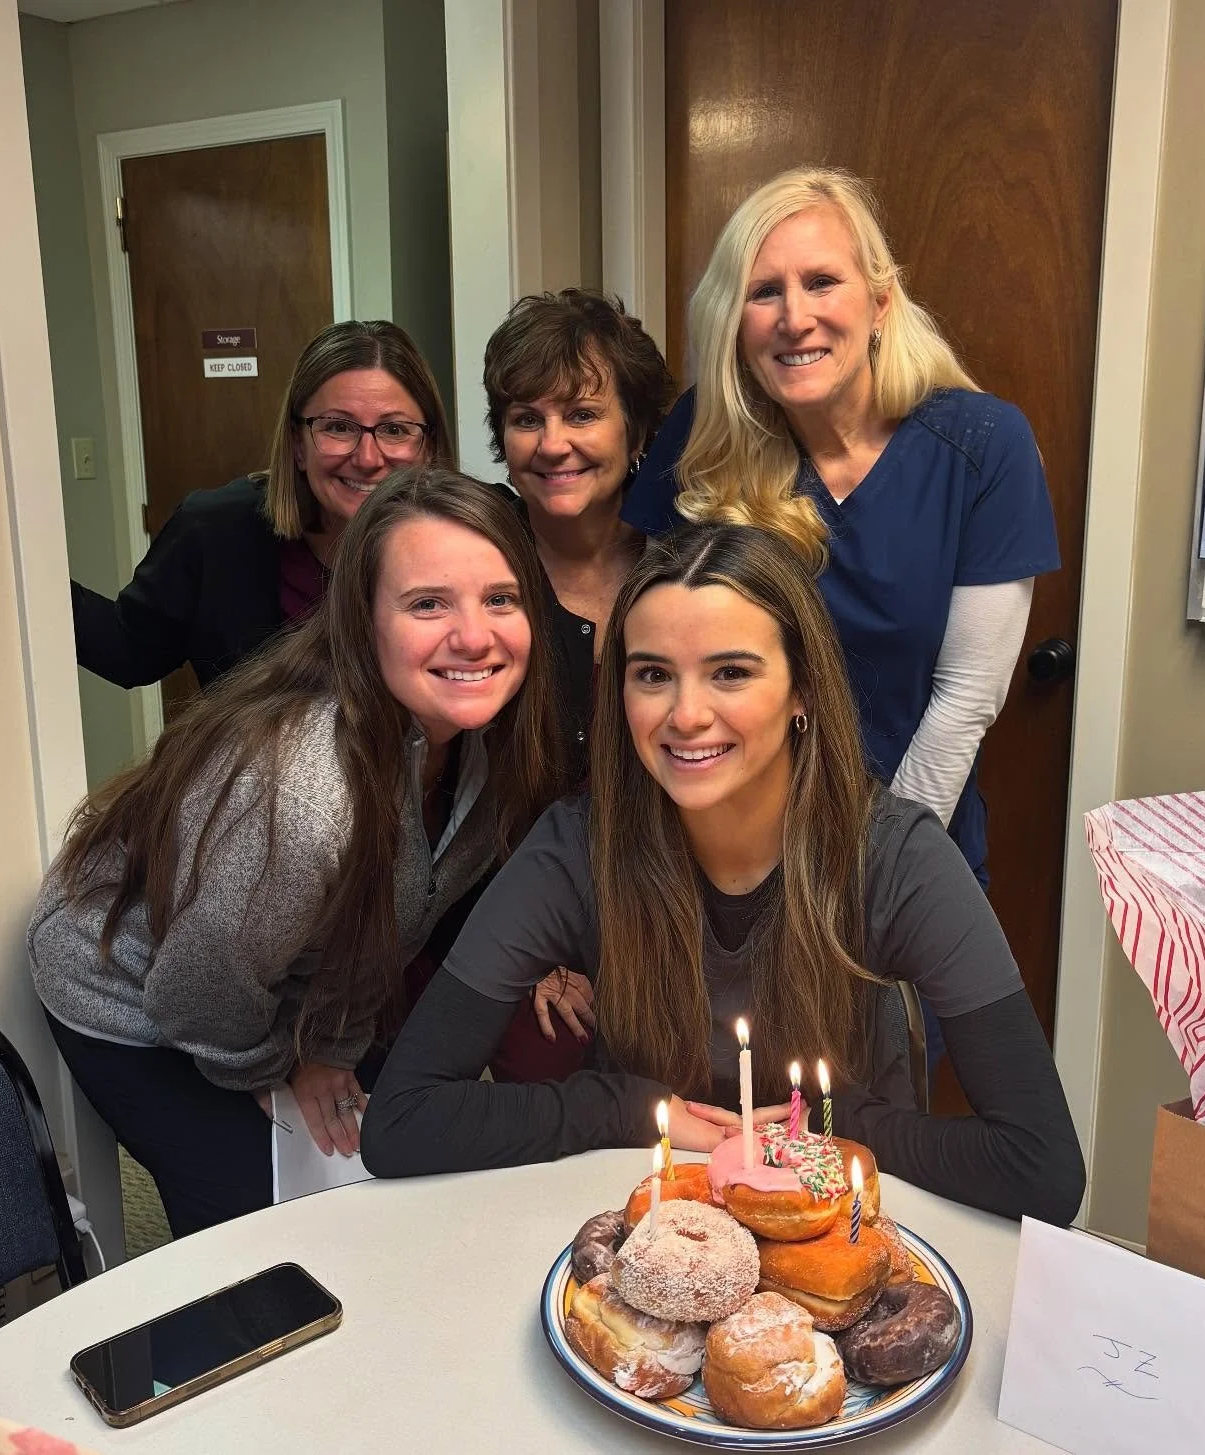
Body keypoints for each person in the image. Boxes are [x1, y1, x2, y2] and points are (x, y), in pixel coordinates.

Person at [361, 525, 1086, 1226]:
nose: (686, 714)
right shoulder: (577, 848)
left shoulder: (897, 858)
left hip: (837, 1217)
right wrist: (616, 1106)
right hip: (650, 1218)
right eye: (653, 674)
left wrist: (826, 1127)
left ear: (802, 689)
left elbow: (1041, 1166)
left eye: (730, 672)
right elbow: (402, 1118)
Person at [31, 467, 564, 1237]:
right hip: (133, 984)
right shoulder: (305, 793)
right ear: (363, 618)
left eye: (500, 598)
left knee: (384, 1155)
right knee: (257, 1233)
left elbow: (387, 920)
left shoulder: (489, 741)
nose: (475, 635)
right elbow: (196, 989)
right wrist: (277, 1067)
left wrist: (331, 1048)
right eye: (427, 604)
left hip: (278, 974)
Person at [621, 169, 1059, 892]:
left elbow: (966, 699)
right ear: (734, 318)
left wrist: (870, 875)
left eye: (822, 282)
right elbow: (656, 657)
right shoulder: (702, 434)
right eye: (764, 292)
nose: (795, 317)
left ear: (881, 302)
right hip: (722, 866)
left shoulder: (982, 444)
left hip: (904, 860)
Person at [72, 320, 453, 690]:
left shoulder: (471, 535)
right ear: (297, 444)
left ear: (429, 447)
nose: (368, 458)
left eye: (394, 430)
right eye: (338, 427)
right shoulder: (216, 531)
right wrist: (18, 577)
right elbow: (128, 651)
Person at [483, 288, 675, 781]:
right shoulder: (475, 560)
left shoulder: (687, 561)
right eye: (527, 419)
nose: (552, 445)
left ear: (636, 433)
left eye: (582, 415)